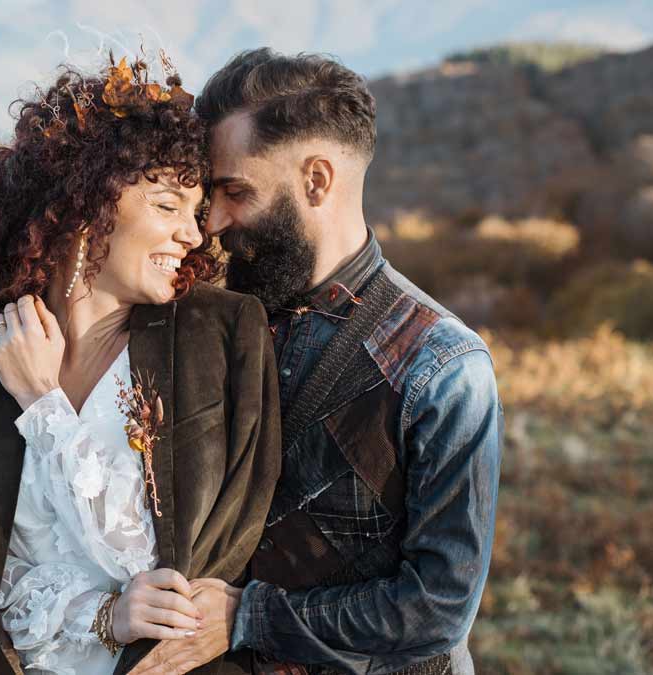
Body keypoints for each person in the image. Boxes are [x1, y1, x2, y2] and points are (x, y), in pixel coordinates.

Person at [0, 57, 281, 675]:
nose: (193, 236)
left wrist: (45, 405)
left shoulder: (220, 336)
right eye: (169, 205)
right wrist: (84, 615)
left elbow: (169, 569)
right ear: (91, 206)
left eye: (195, 214)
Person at [130, 48, 504, 674]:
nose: (214, 223)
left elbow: (439, 608)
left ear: (317, 180)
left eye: (234, 191)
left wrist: (248, 617)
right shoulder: (210, 323)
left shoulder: (443, 368)